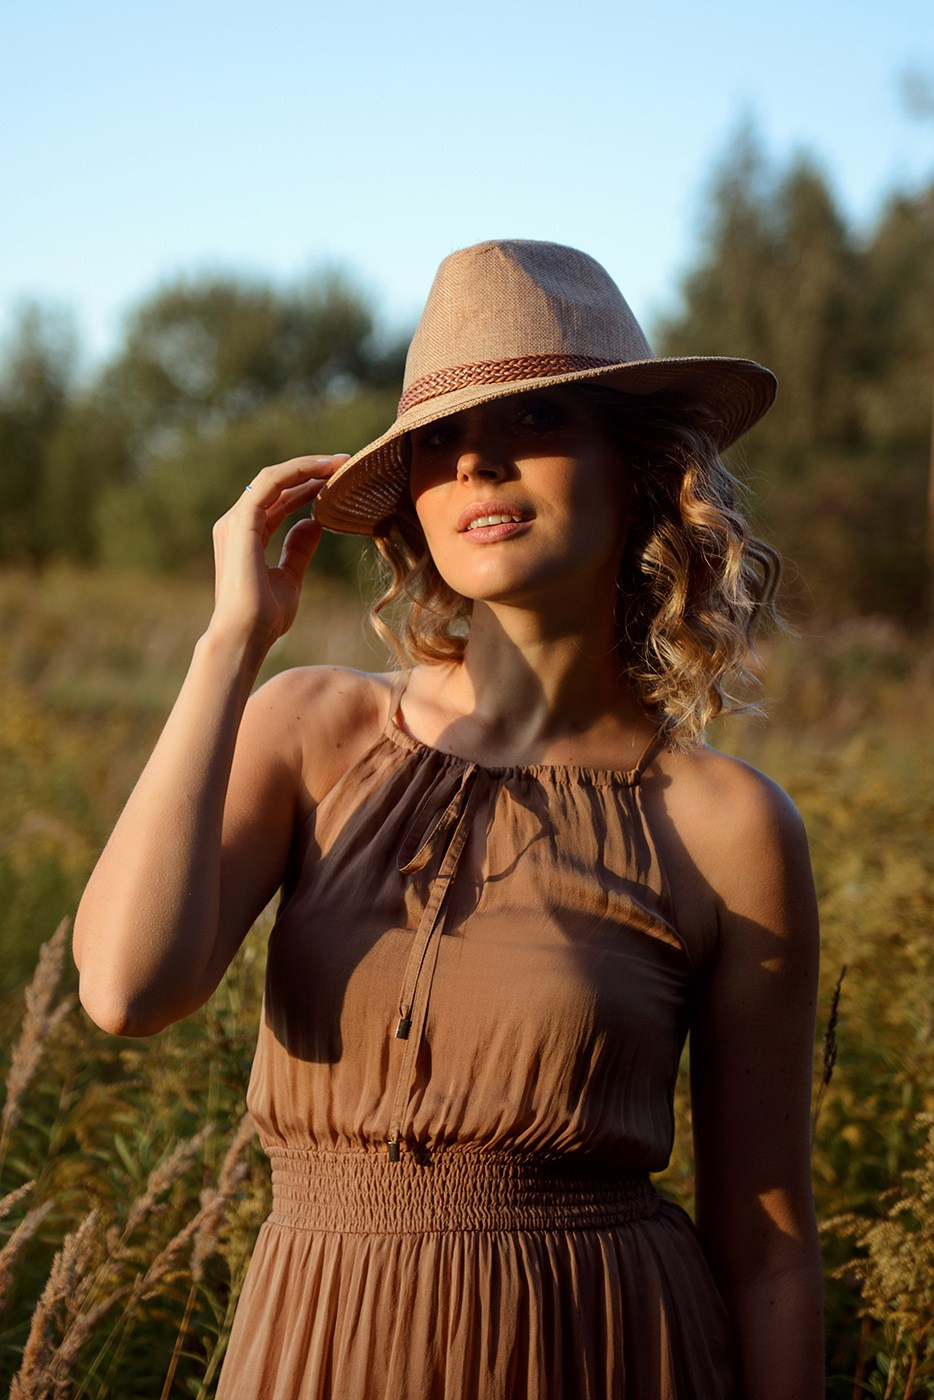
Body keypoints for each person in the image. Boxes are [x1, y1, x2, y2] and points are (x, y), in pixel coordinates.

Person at [73, 239, 824, 1399]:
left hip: (603, 1352)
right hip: (319, 1346)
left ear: (637, 466)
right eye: (439, 438)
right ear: (413, 502)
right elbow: (128, 989)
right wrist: (230, 643)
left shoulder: (726, 822)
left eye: (535, 418)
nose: (476, 457)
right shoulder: (312, 727)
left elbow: (768, 1250)